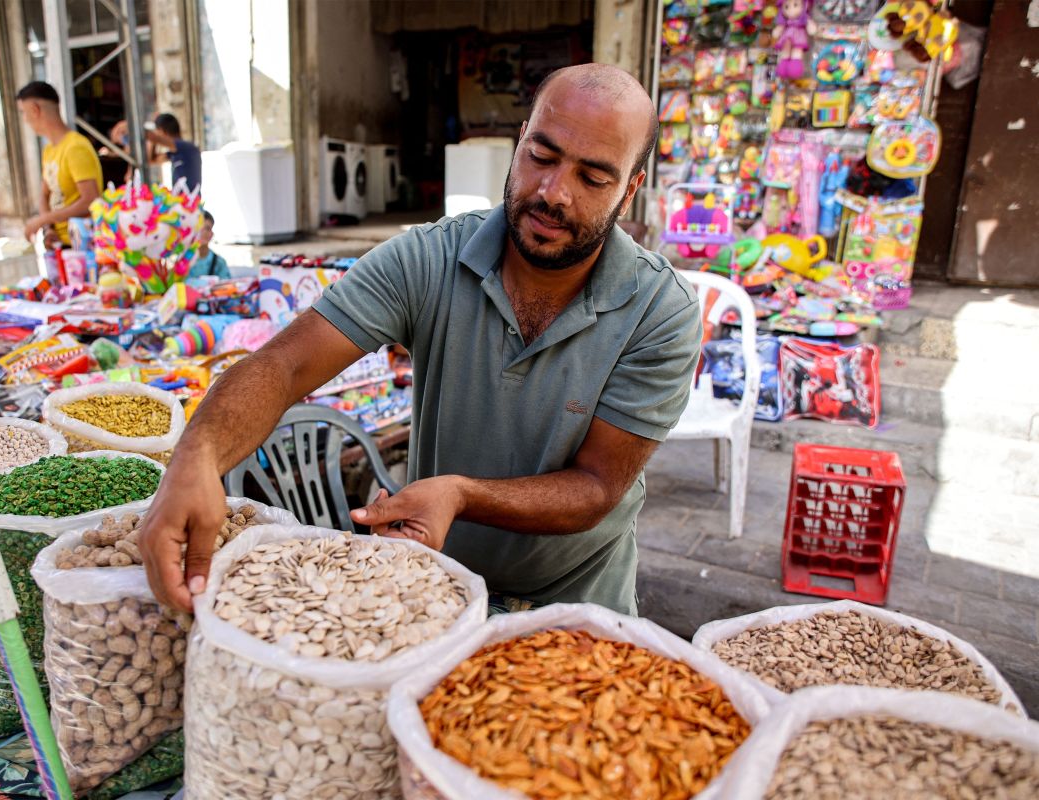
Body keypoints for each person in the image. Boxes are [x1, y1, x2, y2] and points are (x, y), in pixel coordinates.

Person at [138, 64, 702, 616]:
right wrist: (199, 454)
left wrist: (459, 493)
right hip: (431, 597)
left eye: (593, 178)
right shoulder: (428, 257)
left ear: (629, 191)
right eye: (542, 157)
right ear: (519, 144)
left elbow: (597, 487)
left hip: (578, 611)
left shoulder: (660, 311)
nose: (555, 192)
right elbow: (284, 364)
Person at [16, 82, 103, 247]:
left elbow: (91, 199)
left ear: (35, 109)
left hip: (82, 244)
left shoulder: (75, 147)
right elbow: (45, 194)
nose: (25, 120)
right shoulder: (49, 150)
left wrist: (42, 220)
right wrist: (48, 228)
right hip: (57, 244)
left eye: (23, 112)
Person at [111, 113, 201, 191]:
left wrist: (127, 126)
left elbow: (152, 137)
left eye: (157, 131)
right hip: (180, 202)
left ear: (162, 131)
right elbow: (150, 159)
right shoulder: (174, 153)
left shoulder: (186, 147)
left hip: (190, 204)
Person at [186, 212, 231, 280]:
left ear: (211, 234)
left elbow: (227, 286)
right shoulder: (181, 260)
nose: (201, 232)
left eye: (207, 228)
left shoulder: (219, 262)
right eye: (198, 227)